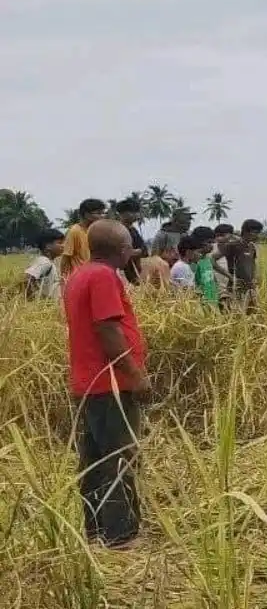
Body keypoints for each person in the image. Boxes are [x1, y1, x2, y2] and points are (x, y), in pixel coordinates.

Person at [63, 219, 149, 549]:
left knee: (95, 461)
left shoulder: (80, 274)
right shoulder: (102, 277)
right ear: (120, 249)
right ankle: (121, 535)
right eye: (129, 246)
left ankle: (96, 529)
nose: (132, 251)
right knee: (119, 458)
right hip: (110, 384)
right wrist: (136, 376)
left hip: (88, 383)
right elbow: (108, 331)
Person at [60, 198, 108, 276]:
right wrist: (63, 279)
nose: (102, 216)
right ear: (87, 214)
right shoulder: (74, 231)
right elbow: (66, 258)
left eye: (103, 213)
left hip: (93, 275)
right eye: (98, 213)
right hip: (79, 276)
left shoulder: (97, 231)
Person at [224, 219, 263, 312]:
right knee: (236, 315)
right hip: (236, 288)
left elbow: (252, 263)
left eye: (258, 233)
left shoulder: (252, 247)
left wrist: (254, 278)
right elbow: (213, 260)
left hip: (250, 287)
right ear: (246, 232)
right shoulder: (233, 245)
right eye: (255, 233)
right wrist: (230, 276)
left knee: (252, 313)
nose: (257, 235)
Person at [115, 198, 148, 285]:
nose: (136, 215)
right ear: (122, 213)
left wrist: (135, 252)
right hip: (121, 272)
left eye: (137, 212)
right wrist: (134, 252)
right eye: (132, 212)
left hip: (134, 272)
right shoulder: (115, 231)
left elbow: (144, 250)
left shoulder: (133, 230)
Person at [25, 228, 65, 300]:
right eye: (60, 243)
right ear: (48, 246)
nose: (63, 245)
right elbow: (29, 277)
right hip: (44, 305)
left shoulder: (50, 262)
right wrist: (30, 299)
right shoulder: (44, 262)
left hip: (50, 305)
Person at [189, 226, 221, 307]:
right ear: (200, 242)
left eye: (213, 243)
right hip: (201, 305)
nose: (212, 246)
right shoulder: (193, 262)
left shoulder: (207, 259)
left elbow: (213, 281)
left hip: (213, 302)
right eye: (209, 242)